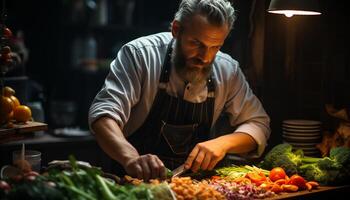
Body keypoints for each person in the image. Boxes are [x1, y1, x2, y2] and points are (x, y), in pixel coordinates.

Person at [89, 0, 270, 181]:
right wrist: (131, 157)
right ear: (176, 29)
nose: (205, 57)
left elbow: (258, 124)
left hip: (195, 189)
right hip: (133, 185)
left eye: (215, 47)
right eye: (196, 43)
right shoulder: (140, 55)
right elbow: (103, 116)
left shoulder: (227, 70)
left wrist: (222, 144)